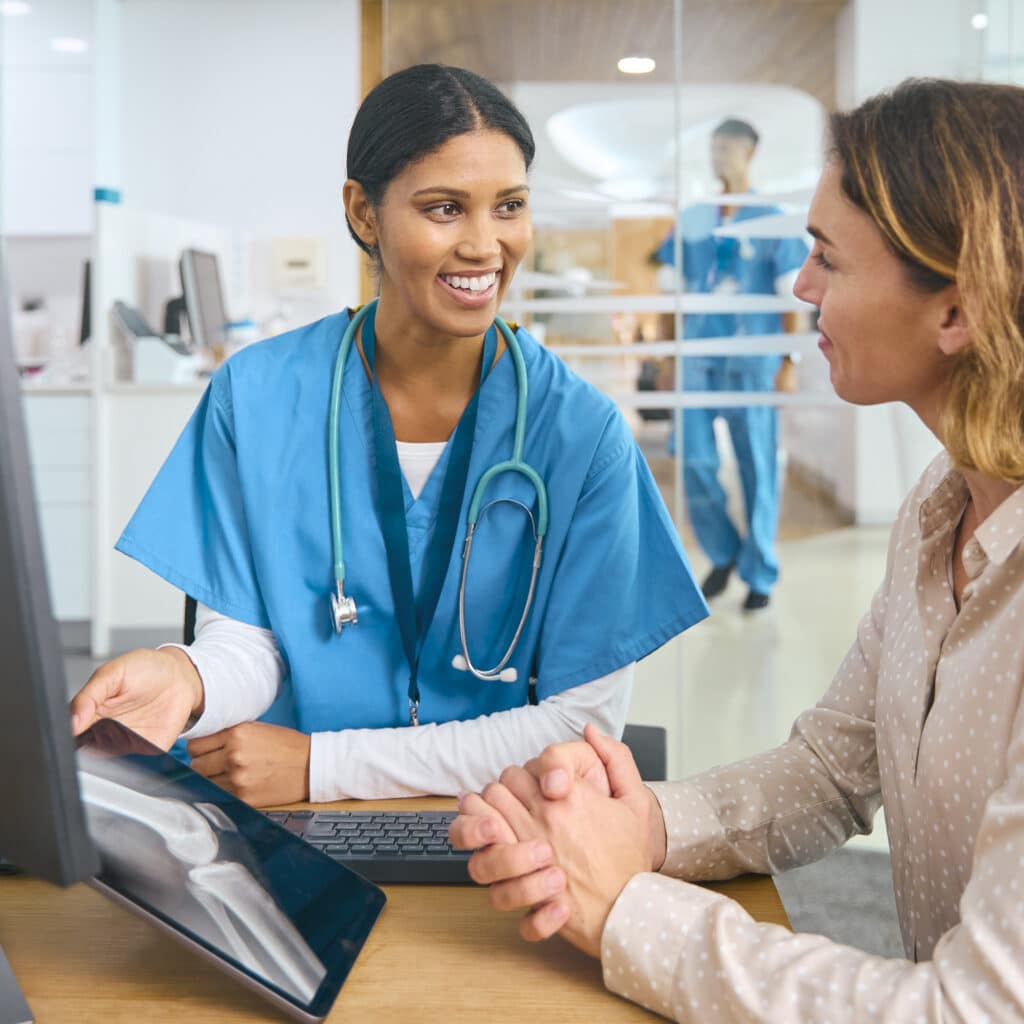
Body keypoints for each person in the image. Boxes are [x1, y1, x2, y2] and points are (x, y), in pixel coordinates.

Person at [450, 78, 1024, 1021]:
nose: (800, 286)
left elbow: (971, 1012)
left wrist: (627, 910)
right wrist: (644, 825)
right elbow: (834, 771)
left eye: (828, 260)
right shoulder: (939, 510)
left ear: (954, 312)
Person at [69, 64, 707, 808]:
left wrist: (323, 766)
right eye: (444, 209)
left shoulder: (580, 434)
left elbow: (579, 726)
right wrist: (187, 674)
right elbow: (249, 646)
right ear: (364, 214)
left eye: (509, 206)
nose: (484, 245)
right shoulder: (259, 398)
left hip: (496, 824)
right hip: (288, 822)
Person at [655, 119, 808, 611]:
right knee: (694, 460)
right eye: (714, 147)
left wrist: (789, 358)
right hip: (699, 361)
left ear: (751, 153)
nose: (719, 156)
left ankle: (760, 570)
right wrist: (666, 356)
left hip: (754, 362)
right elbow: (667, 294)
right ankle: (722, 552)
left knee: (758, 466)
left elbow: (793, 297)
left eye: (729, 148)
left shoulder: (772, 219)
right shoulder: (695, 219)